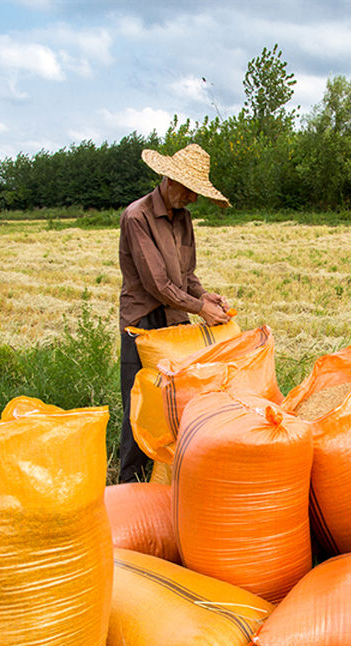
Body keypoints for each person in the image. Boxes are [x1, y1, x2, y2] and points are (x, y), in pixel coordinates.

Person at [116, 142, 232, 483]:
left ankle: (170, 483)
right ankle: (131, 483)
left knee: (175, 405)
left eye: (197, 192)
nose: (193, 198)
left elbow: (186, 275)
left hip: (175, 320)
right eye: (189, 190)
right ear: (170, 180)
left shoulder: (184, 218)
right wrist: (201, 309)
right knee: (140, 407)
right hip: (144, 322)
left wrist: (204, 295)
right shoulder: (137, 217)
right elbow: (157, 284)